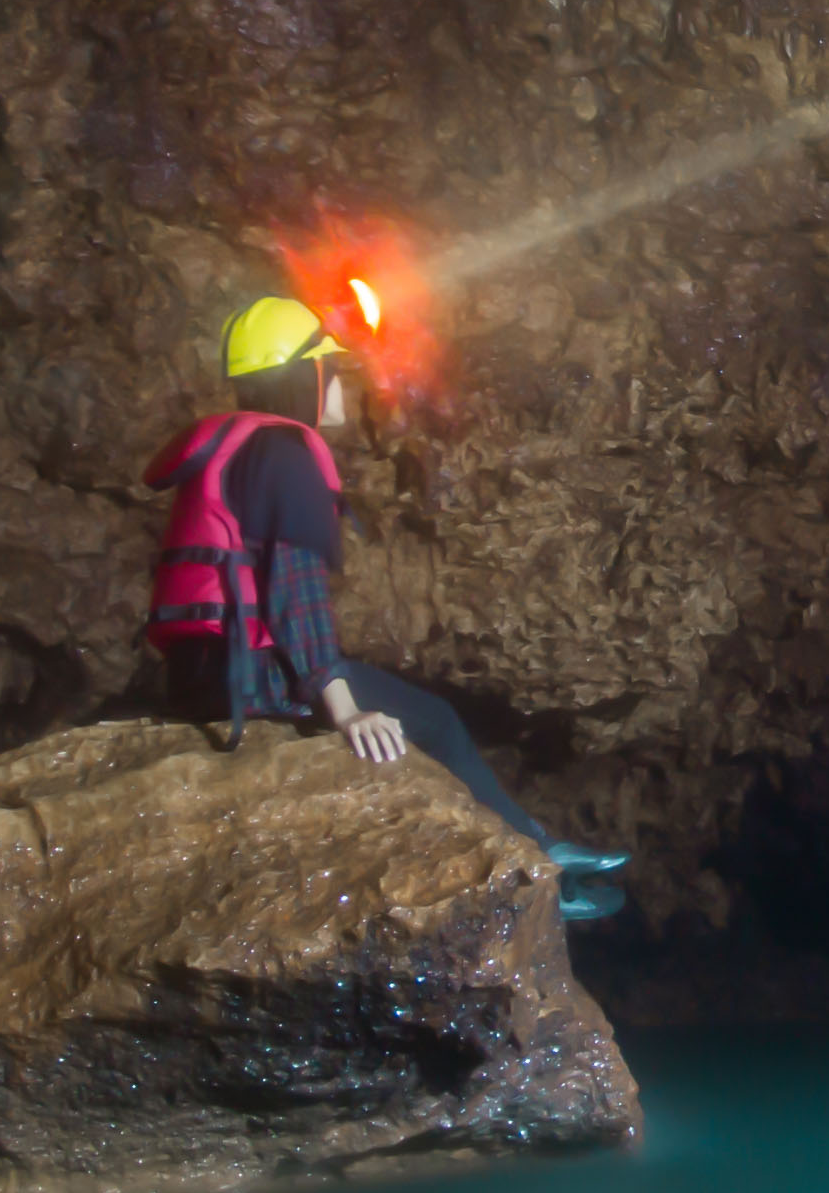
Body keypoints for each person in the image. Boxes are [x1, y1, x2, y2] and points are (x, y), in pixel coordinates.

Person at [147, 295, 635, 924]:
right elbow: (294, 591)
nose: (340, 385)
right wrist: (342, 707)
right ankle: (536, 870)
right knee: (433, 722)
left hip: (198, 677)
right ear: (302, 377)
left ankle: (538, 846)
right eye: (330, 370)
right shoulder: (284, 450)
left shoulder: (233, 448)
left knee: (418, 716)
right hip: (250, 680)